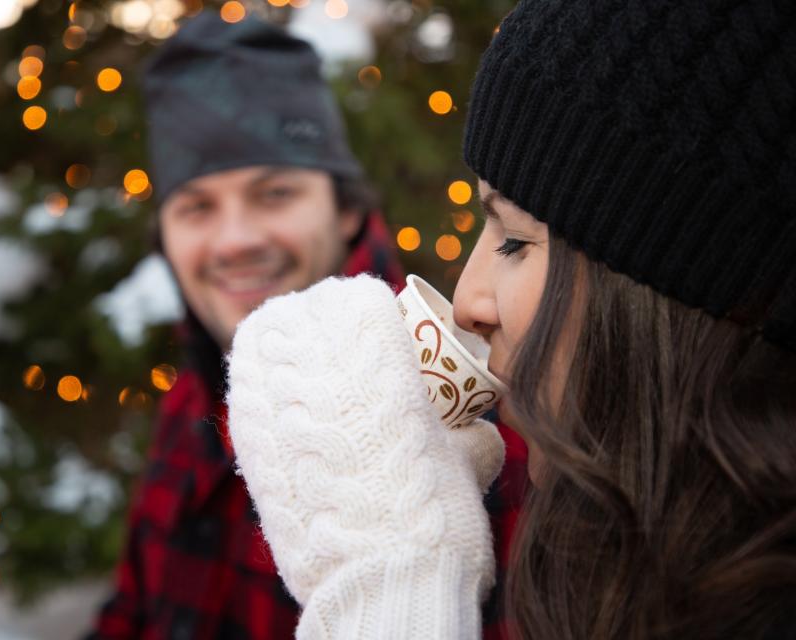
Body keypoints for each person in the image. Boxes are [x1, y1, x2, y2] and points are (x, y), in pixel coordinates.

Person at [225, 0, 796, 638]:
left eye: (516, 241)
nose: (468, 299)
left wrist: (393, 590)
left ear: (678, 281)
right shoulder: (617, 557)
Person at [89, 13, 528, 640]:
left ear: (347, 209)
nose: (236, 239)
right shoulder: (194, 397)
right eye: (197, 207)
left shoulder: (467, 416)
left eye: (274, 194)